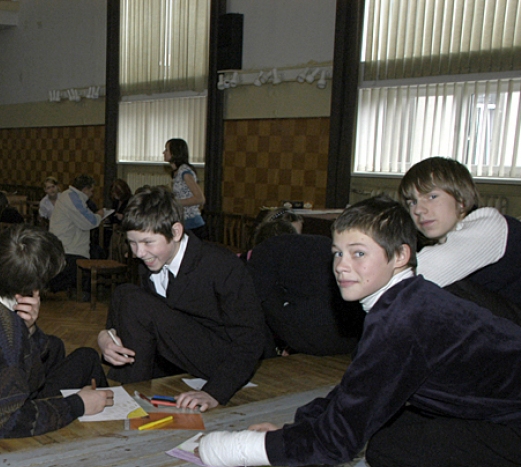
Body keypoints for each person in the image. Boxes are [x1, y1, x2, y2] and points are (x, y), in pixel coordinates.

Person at [197, 196, 521, 467]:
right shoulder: (409, 298)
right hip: (510, 411)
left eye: (358, 253)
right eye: (337, 253)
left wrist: (235, 448)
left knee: (389, 455)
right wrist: (296, 428)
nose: (342, 266)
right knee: (390, 425)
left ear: (401, 254)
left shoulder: (401, 322)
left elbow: (335, 444)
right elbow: (358, 388)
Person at [97, 186, 265, 413]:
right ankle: (131, 393)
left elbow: (251, 338)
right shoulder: (150, 260)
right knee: (125, 293)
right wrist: (106, 336)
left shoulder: (222, 265)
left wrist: (215, 392)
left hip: (222, 359)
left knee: (131, 298)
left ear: (175, 232)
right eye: (133, 243)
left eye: (147, 242)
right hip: (175, 356)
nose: (138, 252)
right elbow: (145, 319)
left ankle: (128, 394)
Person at [0, 226, 113, 438]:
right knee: (87, 359)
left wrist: (29, 328)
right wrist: (78, 404)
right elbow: (3, 421)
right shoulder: (4, 332)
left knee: (54, 346)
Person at [398, 156, 521, 324]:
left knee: (434, 289)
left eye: (432, 196)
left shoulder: (489, 226)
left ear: (461, 201)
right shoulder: (450, 239)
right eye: (412, 202)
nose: (419, 209)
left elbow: (406, 280)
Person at [246, 224, 364, 357]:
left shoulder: (264, 251)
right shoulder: (318, 243)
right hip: (351, 337)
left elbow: (251, 301)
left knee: (255, 299)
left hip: (316, 339)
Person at [47, 174, 104, 293]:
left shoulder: (68, 195)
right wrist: (100, 215)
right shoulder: (73, 198)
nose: (91, 194)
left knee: (96, 251)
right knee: (96, 254)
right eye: (91, 190)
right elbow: (89, 222)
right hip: (68, 249)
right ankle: (86, 291)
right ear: (85, 189)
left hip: (64, 245)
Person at [164, 138, 206, 235]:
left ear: (174, 153)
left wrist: (176, 203)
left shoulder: (184, 171)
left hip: (192, 224)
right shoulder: (177, 172)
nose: (164, 152)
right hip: (183, 222)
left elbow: (200, 199)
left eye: (166, 150)